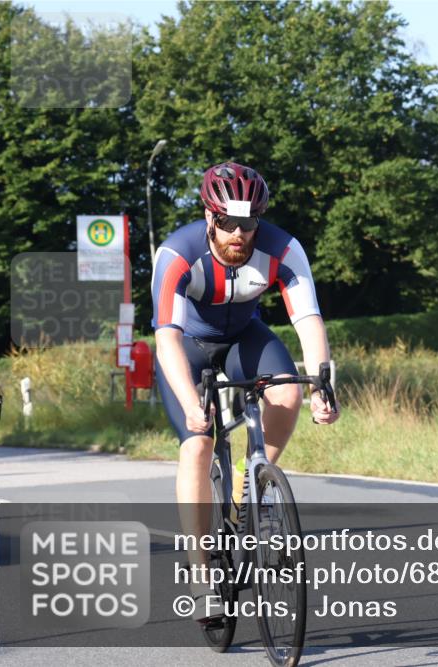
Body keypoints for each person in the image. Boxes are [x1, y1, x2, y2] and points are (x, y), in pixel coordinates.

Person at [151, 162, 339, 622]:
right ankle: (200, 574)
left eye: (249, 223)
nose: (240, 233)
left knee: (288, 394)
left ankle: (249, 482)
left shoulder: (283, 249)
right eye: (229, 223)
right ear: (210, 217)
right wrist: (193, 404)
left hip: (244, 339)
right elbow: (167, 338)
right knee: (198, 444)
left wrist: (323, 383)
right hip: (188, 348)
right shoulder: (177, 253)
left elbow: (308, 320)